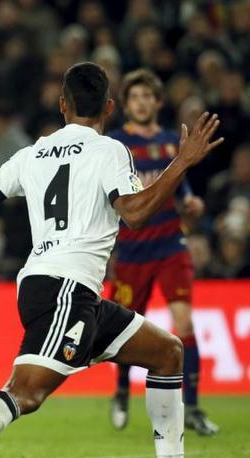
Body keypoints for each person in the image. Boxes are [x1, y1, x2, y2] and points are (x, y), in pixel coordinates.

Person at [0, 62, 223, 458]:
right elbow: (135, 214)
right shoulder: (110, 151)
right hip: (65, 287)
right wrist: (182, 162)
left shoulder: (31, 154)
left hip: (68, 290)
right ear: (110, 107)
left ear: (62, 105)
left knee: (167, 353)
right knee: (26, 392)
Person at [107, 68, 218, 435]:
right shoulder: (116, 146)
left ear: (156, 101)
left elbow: (181, 191)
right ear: (125, 105)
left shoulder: (174, 142)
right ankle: (122, 390)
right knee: (124, 329)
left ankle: (195, 407)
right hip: (132, 251)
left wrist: (192, 205)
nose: (141, 102)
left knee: (183, 323)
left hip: (171, 244)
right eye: (134, 97)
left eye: (147, 96)